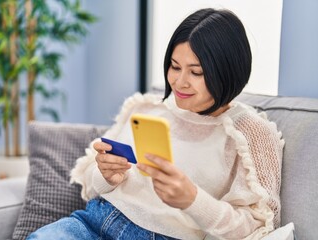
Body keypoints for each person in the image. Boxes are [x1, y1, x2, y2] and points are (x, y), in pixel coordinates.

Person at [27, 8, 283, 240]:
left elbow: (256, 226)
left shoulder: (250, 133)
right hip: (93, 222)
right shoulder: (147, 108)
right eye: (174, 66)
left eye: (196, 72)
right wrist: (106, 175)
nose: (180, 82)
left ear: (227, 71)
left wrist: (193, 200)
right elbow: (94, 184)